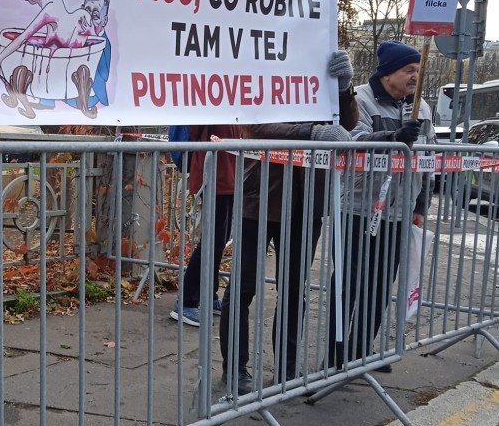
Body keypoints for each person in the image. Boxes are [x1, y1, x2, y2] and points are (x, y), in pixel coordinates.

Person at [219, 50, 359, 392]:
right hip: (260, 199)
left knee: (294, 290)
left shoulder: (317, 65)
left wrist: (343, 89)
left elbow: (345, 125)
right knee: (243, 288)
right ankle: (234, 370)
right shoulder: (263, 68)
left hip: (307, 201)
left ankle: (287, 368)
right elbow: (253, 126)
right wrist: (311, 132)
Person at [329, 39, 435, 370]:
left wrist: (420, 207)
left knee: (380, 285)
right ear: (387, 73)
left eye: (418, 70)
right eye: (409, 70)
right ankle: (335, 355)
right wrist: (394, 138)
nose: (415, 76)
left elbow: (428, 160)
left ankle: (361, 351)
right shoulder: (362, 100)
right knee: (347, 283)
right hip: (358, 208)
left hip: (399, 211)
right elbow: (353, 141)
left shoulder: (422, 108)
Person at [170, 124, 243, 326]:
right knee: (212, 240)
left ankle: (208, 295)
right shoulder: (213, 108)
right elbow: (195, 127)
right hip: (214, 174)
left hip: (226, 173)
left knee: (220, 239)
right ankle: (187, 301)